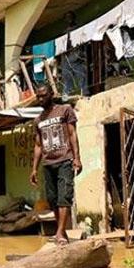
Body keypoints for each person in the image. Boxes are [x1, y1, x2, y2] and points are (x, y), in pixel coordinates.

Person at [29, 84, 82, 245]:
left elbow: (72, 134)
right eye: (38, 96)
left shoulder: (65, 110)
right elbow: (38, 146)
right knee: (52, 199)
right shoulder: (38, 120)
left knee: (64, 196)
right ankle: (62, 232)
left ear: (51, 94)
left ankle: (59, 232)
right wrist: (34, 169)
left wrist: (77, 158)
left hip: (65, 160)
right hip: (48, 163)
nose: (40, 99)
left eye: (43, 95)